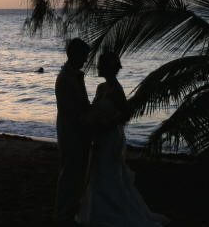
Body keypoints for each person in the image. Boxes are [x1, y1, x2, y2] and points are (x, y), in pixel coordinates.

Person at [78, 52, 170, 227]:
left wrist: (107, 124)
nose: (97, 67)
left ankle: (112, 213)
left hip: (111, 137)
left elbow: (125, 115)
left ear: (108, 68)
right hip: (100, 136)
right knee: (97, 173)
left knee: (109, 173)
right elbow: (94, 109)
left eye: (101, 65)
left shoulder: (117, 91)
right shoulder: (101, 88)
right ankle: (96, 212)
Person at [54, 38, 91, 227]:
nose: (85, 60)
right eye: (83, 56)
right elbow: (70, 109)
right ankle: (63, 213)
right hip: (71, 130)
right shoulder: (66, 78)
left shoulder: (74, 75)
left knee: (75, 172)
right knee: (69, 171)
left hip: (77, 129)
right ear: (75, 55)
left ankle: (70, 209)